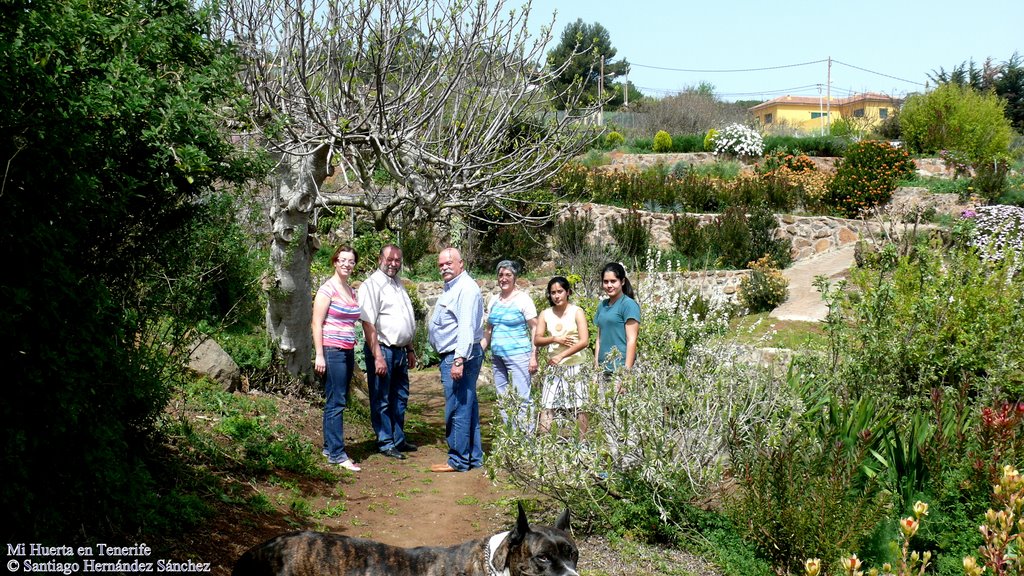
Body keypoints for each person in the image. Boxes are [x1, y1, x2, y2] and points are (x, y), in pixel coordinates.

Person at [427, 247, 485, 473]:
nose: (444, 267)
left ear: (461, 263)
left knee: (458, 407)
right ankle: (473, 457)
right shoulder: (454, 286)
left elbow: (466, 328)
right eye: (441, 264)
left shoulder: (466, 288)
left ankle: (459, 460)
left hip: (459, 354)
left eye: (449, 263)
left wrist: (459, 359)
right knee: (467, 406)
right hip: (456, 354)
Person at [358, 244, 418, 461]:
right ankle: (385, 442)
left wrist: (410, 348)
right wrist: (378, 356)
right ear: (379, 258)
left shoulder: (397, 284)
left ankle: (398, 438)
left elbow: (404, 319)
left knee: (400, 397)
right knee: (382, 398)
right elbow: (368, 324)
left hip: (401, 352)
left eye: (397, 260)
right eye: (389, 259)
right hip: (383, 350)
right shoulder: (371, 285)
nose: (394, 263)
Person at [312, 245, 363, 472]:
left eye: (351, 261)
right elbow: (316, 323)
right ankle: (337, 454)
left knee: (336, 398)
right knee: (337, 401)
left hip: (347, 350)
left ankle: (328, 448)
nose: (346, 264)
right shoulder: (327, 289)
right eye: (343, 260)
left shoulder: (351, 291)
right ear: (335, 261)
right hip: (332, 351)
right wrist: (320, 354)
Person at [481, 260, 538, 430]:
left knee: (522, 399)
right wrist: (479, 350)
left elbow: (535, 327)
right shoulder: (493, 300)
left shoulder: (523, 300)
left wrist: (533, 356)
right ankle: (510, 438)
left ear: (515, 278)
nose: (503, 278)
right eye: (500, 275)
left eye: (508, 275)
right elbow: (489, 330)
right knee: (503, 399)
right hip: (498, 357)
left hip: (519, 356)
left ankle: (527, 442)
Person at [534, 276, 590, 434]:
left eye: (560, 291)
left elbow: (584, 341)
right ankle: (545, 445)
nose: (557, 296)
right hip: (554, 366)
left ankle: (582, 445)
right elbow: (537, 339)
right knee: (547, 405)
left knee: (579, 406)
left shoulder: (577, 312)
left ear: (568, 292)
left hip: (575, 365)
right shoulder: (545, 314)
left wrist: (562, 355)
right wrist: (554, 338)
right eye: (553, 293)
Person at [593, 262, 641, 379]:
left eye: (613, 281)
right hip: (603, 369)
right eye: (606, 281)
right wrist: (596, 369)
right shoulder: (602, 305)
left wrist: (626, 374)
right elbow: (599, 339)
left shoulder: (628, 305)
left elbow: (631, 340)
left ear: (622, 281)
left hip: (619, 369)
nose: (609, 285)